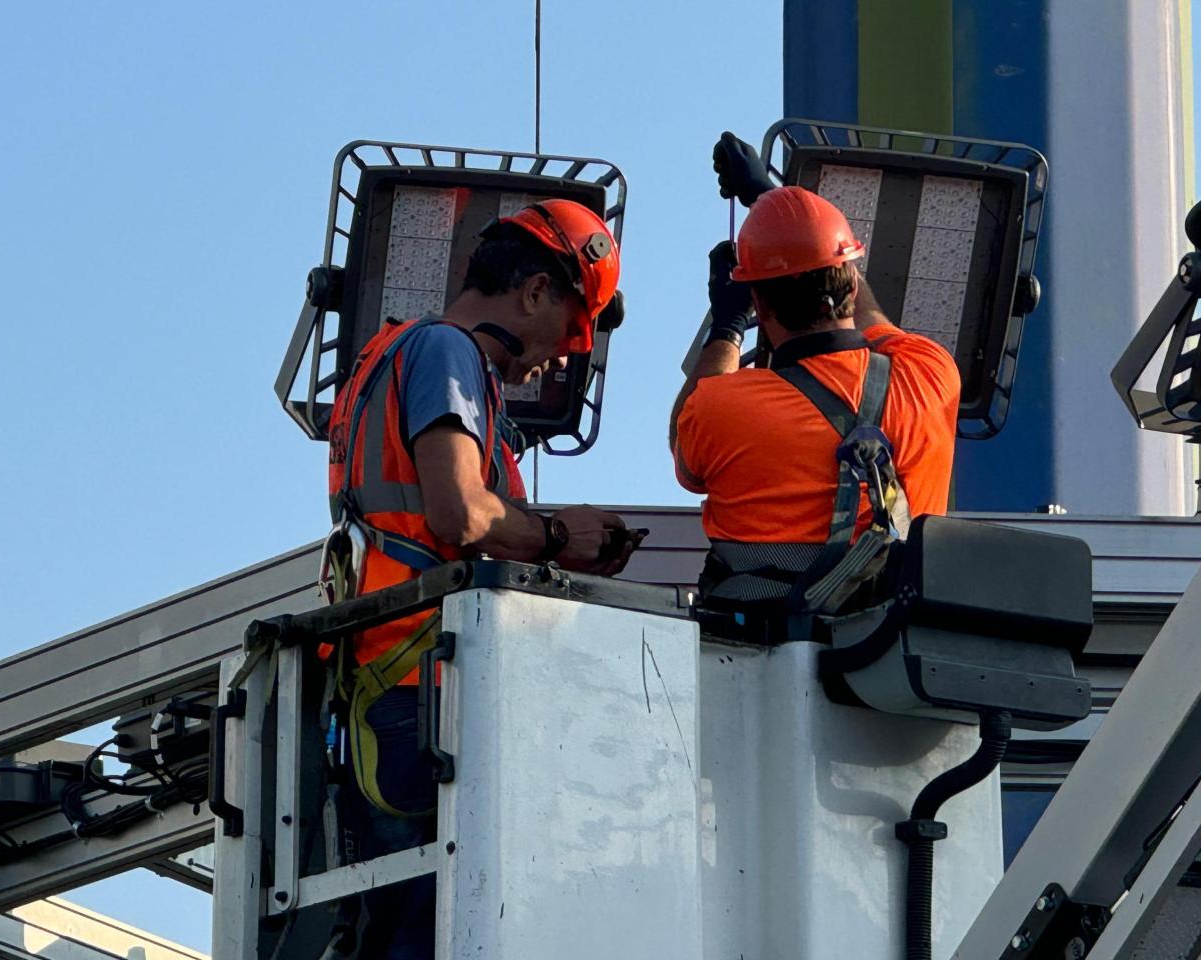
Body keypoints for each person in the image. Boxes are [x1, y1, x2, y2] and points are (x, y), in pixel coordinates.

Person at [323, 197, 637, 957]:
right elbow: (460, 515)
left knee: (411, 928)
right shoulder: (445, 353)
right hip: (419, 688)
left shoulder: (401, 356)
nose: (565, 356)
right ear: (533, 291)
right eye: (570, 328)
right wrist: (562, 538)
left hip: (392, 686)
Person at [670, 134, 960, 615]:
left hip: (766, 665)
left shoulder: (723, 407)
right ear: (850, 276)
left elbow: (685, 457)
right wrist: (773, 202)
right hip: (889, 663)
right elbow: (872, 322)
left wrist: (727, 327)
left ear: (759, 304)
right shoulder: (930, 374)